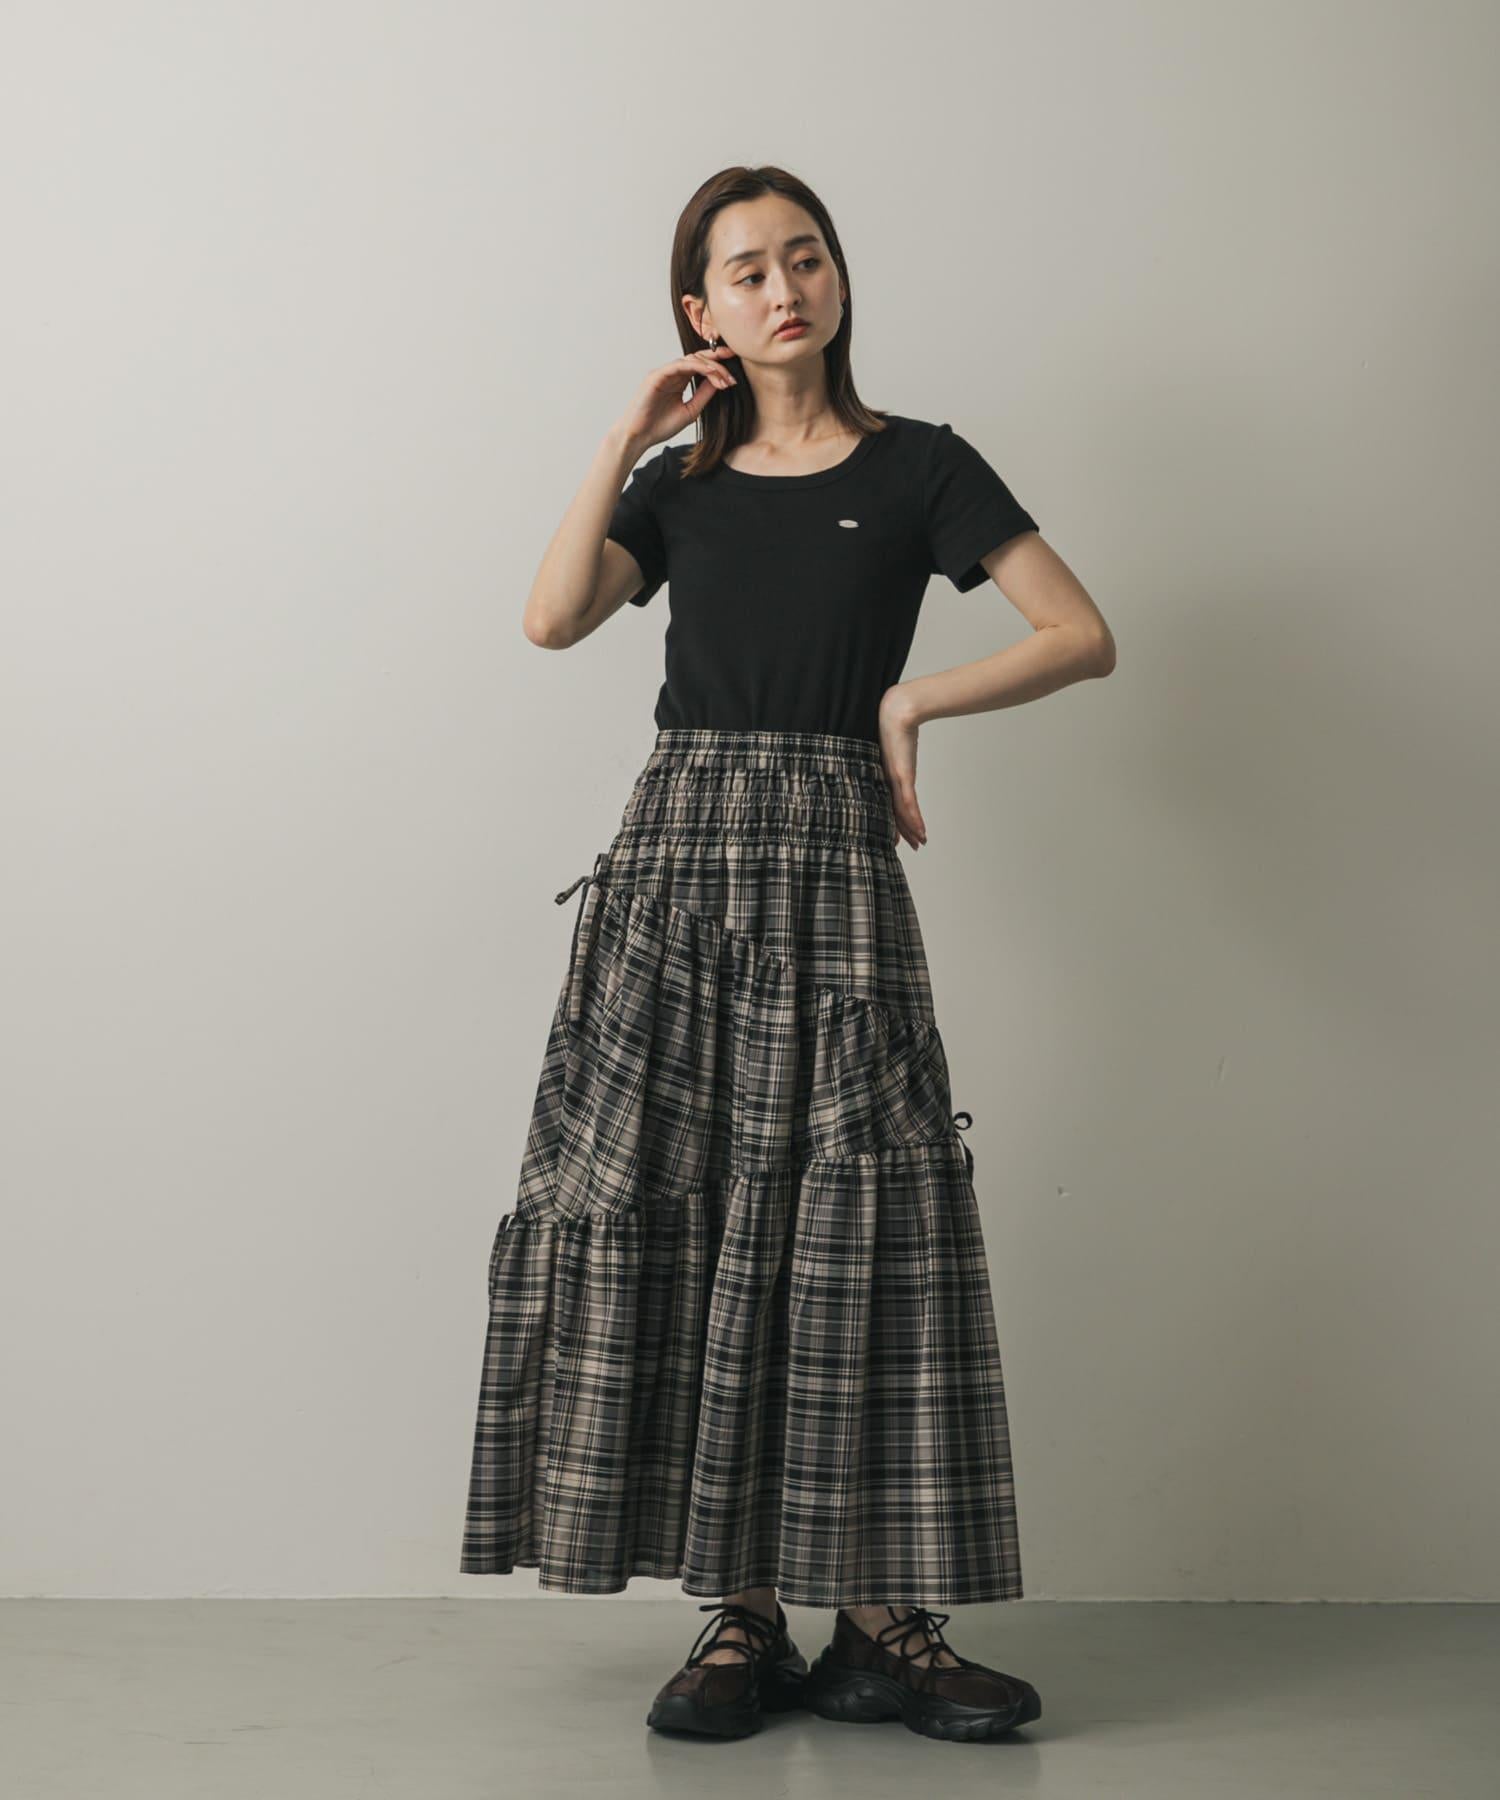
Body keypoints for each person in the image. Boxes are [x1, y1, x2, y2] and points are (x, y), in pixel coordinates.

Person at [461, 165, 1116, 1746]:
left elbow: (1079, 632)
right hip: (679, 864)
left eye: (803, 257)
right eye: (746, 270)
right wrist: (623, 439)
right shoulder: (677, 485)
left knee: (853, 1216)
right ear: (702, 310)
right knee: (693, 1205)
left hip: (831, 860)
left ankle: (881, 1623)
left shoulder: (921, 466)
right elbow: (550, 620)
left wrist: (910, 699)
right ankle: (741, 1613)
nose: (783, 289)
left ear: (835, 277)